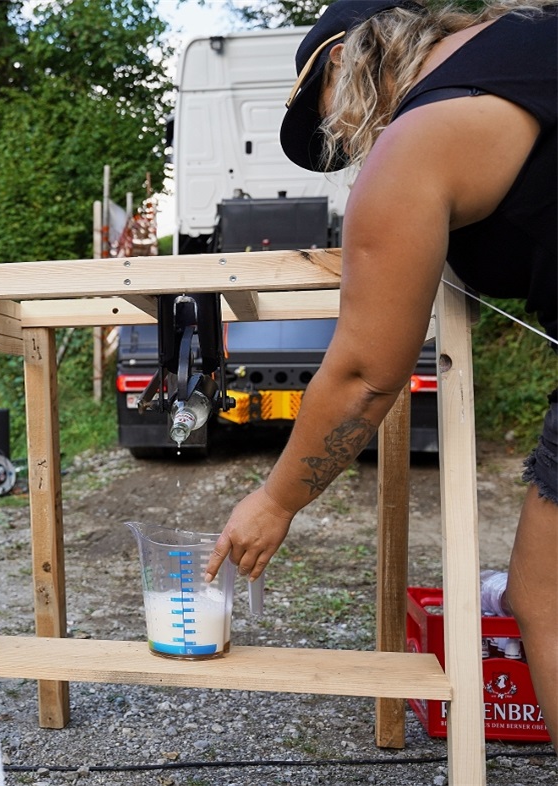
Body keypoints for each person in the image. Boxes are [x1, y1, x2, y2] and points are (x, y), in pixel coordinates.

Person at [205, 0, 556, 739]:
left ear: (345, 59)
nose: (348, 144)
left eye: (329, 119)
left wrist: (274, 502)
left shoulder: (417, 140)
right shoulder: (528, 38)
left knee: (547, 599)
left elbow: (366, 372)